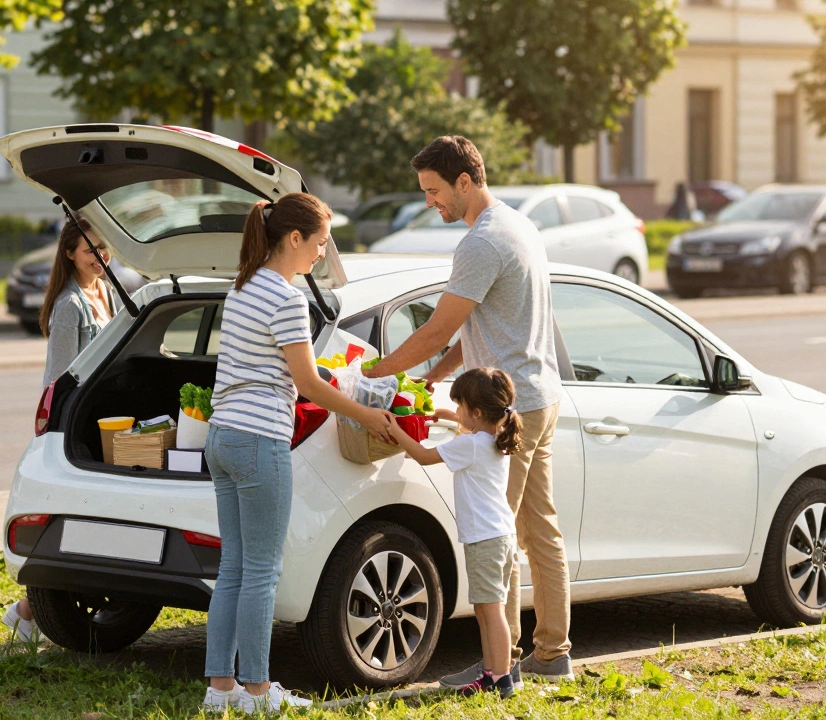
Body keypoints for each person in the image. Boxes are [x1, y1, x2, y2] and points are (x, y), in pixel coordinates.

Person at [363, 135, 573, 683]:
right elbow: (481, 321)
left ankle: (497, 669)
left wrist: (378, 372)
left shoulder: (481, 243)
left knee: (498, 540)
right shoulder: (519, 224)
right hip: (539, 396)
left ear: (465, 181)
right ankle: (553, 653)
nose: (431, 203)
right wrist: (434, 374)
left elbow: (438, 327)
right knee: (539, 531)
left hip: (509, 410)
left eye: (435, 192)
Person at [201, 193, 394, 713]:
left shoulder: (241, 287)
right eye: (320, 243)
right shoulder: (287, 298)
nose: (321, 254)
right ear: (294, 238)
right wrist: (365, 413)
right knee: (262, 571)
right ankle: (260, 693)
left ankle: (220, 691)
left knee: (234, 569)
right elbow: (305, 383)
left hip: (222, 438)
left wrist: (331, 377)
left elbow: (279, 365)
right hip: (260, 441)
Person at [2, 215, 123, 643]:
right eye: (90, 249)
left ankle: (28, 611)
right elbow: (60, 378)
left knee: (95, 523)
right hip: (77, 428)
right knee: (78, 521)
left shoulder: (106, 290)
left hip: (106, 422)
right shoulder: (69, 306)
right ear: (70, 252)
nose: (100, 256)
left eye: (104, 248)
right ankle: (27, 608)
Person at [387, 368, 524, 696]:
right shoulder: (493, 439)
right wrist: (452, 417)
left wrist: (396, 429)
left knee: (491, 611)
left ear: (476, 413)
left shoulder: (472, 445)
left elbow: (421, 456)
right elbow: (470, 433)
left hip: (485, 539)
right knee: (485, 608)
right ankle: (491, 675)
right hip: (499, 536)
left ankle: (502, 679)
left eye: (460, 406)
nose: (458, 412)